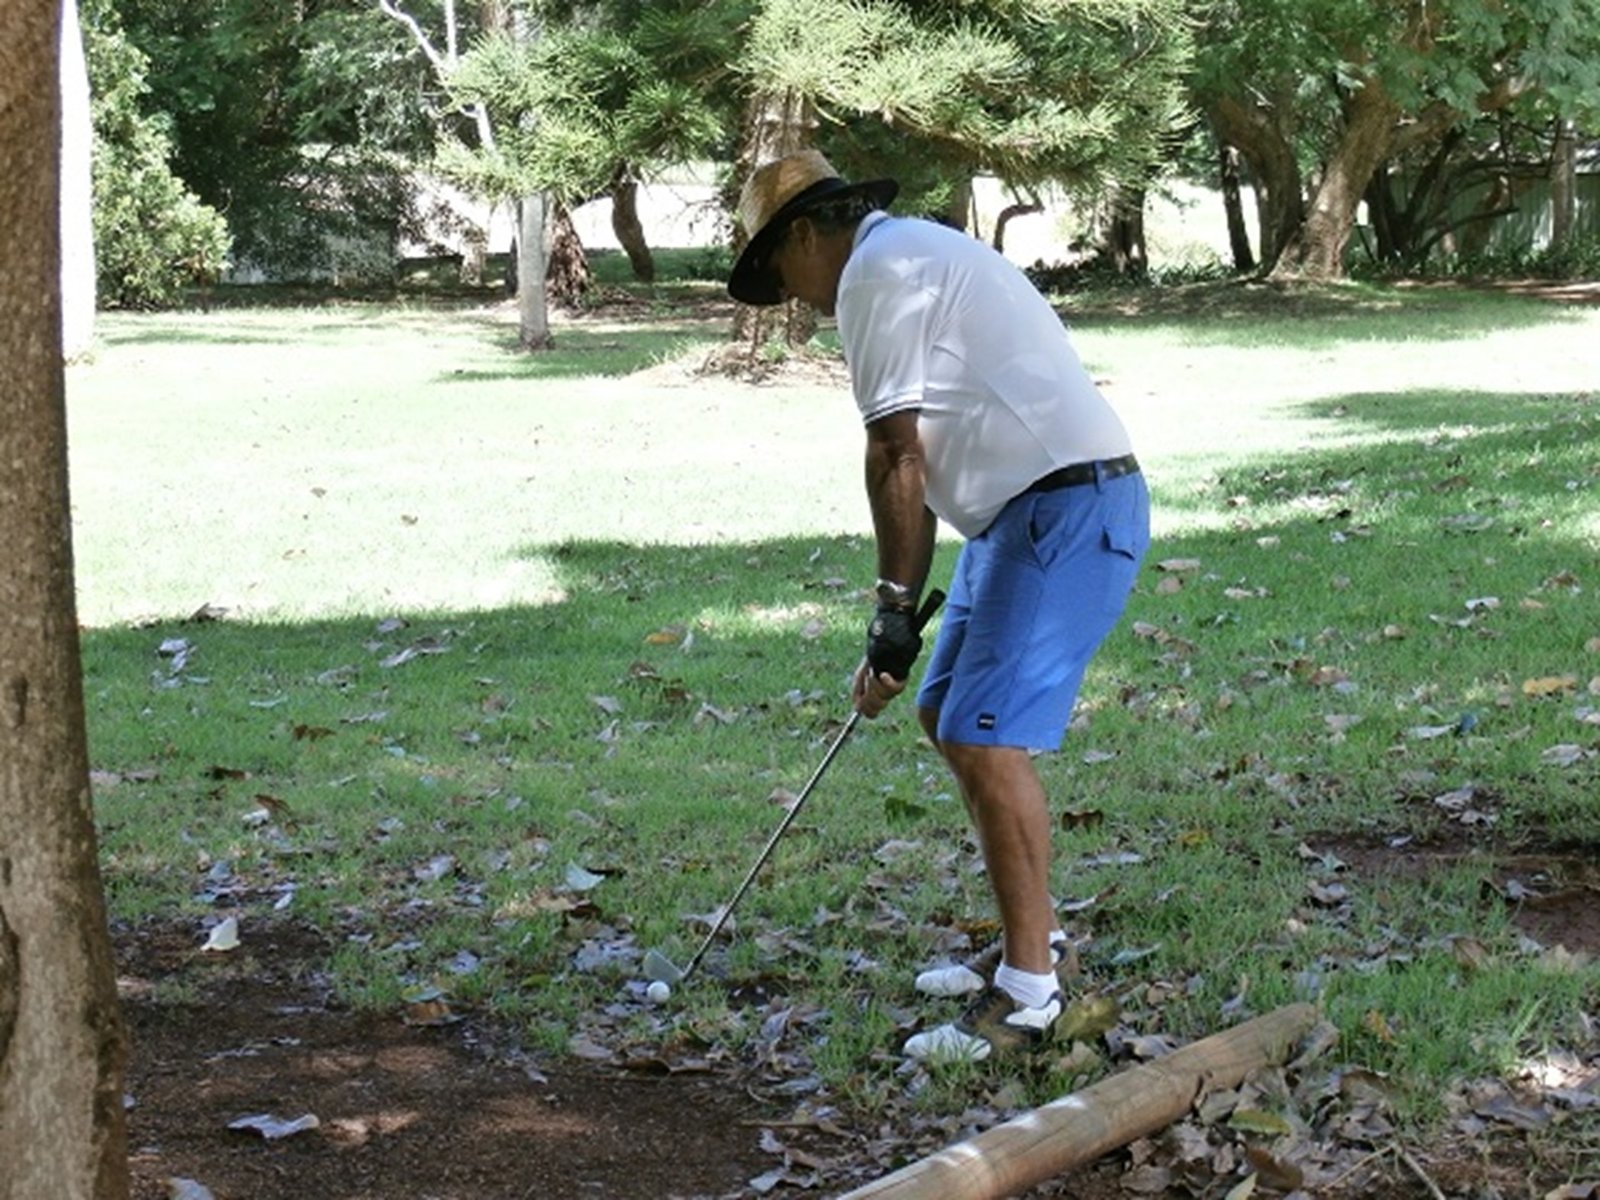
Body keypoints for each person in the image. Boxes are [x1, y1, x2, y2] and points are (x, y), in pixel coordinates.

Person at [727, 150, 1150, 1063]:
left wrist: (891, 611)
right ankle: (1036, 941)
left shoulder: (876, 272)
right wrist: (894, 622)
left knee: (985, 737)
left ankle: (1029, 999)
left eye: (778, 269)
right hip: (1023, 514)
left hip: (1065, 509)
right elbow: (912, 460)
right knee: (946, 711)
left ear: (807, 234)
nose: (790, 295)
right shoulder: (904, 254)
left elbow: (896, 455)